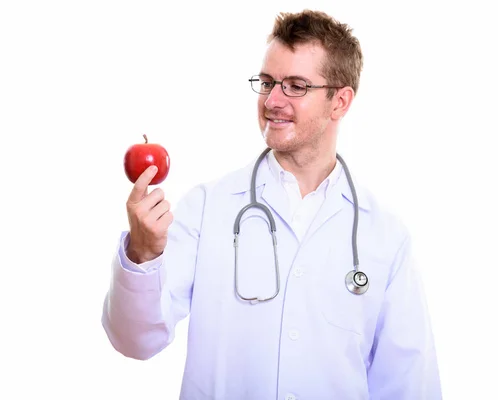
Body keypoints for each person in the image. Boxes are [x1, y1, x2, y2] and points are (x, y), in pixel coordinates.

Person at [102, 9, 442, 400]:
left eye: (296, 86)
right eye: (267, 82)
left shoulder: (385, 235)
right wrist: (143, 254)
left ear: (340, 101)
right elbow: (135, 341)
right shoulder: (206, 208)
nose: (273, 100)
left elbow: (409, 384)